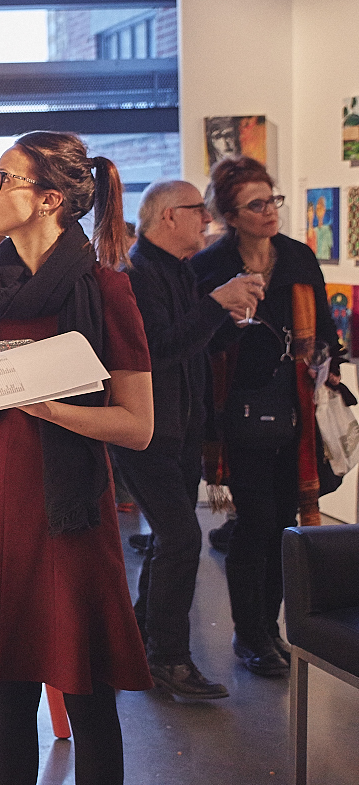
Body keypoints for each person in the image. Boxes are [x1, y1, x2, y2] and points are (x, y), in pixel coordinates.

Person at [0, 132, 154, 785]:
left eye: (1, 181)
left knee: (88, 691)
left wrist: (48, 406)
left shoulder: (105, 288)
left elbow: (137, 427)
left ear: (50, 199)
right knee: (8, 691)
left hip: (70, 512)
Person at [110, 180, 264, 700]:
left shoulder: (175, 270)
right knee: (179, 539)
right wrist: (217, 302)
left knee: (167, 540)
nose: (208, 220)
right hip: (145, 432)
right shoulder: (135, 274)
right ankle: (168, 660)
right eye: (200, 211)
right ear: (169, 216)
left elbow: (192, 345)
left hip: (180, 430)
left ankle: (134, 637)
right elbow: (153, 350)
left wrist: (229, 316)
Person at [190, 156, 341, 677]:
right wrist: (233, 315)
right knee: (253, 526)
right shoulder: (210, 267)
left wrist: (329, 366)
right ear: (231, 215)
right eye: (256, 204)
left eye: (272, 200)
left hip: (294, 408)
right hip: (238, 413)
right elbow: (200, 342)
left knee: (281, 525)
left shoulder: (297, 258)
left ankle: (270, 629)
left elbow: (323, 326)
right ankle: (249, 635)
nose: (269, 211)